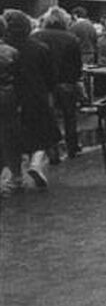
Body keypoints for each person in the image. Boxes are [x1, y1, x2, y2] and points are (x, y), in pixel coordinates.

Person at [2, 10, 60, 189]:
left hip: (11, 96)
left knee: (11, 137)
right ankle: (36, 163)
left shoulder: (6, 48)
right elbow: (51, 76)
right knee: (44, 132)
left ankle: (16, 176)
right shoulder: (39, 48)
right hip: (36, 95)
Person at [33, 7, 84, 159]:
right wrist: (76, 80)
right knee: (70, 117)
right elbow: (77, 64)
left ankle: (53, 152)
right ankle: (72, 148)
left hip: (45, 85)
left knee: (49, 118)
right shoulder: (71, 38)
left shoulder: (36, 36)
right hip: (67, 83)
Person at [0, 15, 22, 196]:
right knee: (9, 137)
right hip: (8, 98)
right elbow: (19, 78)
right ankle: (15, 176)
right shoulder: (11, 52)